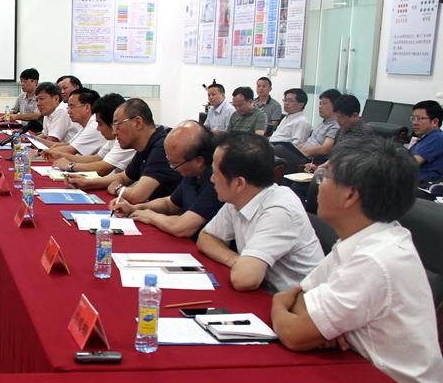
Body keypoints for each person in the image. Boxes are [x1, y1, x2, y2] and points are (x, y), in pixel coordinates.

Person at [271, 137, 443, 383]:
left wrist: (278, 302)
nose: (318, 184)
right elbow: (302, 299)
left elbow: (294, 333)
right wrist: (314, 324)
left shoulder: (375, 258)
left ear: (350, 196)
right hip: (358, 371)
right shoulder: (362, 237)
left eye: (325, 177)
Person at [198, 133, 324, 292]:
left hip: (295, 301)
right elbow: (206, 238)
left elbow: (244, 279)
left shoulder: (279, 210)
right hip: (265, 292)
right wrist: (236, 261)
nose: (211, 179)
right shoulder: (240, 197)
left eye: (216, 173)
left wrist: (243, 266)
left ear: (239, 183)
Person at [112, 121, 221, 239]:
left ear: (198, 161)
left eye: (174, 164)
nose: (172, 168)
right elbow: (169, 204)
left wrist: (152, 217)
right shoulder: (192, 172)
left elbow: (182, 227)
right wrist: (135, 208)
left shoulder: (217, 181)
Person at [68, 99, 179, 204]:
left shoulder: (162, 147)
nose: (114, 132)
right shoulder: (145, 146)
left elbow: (136, 195)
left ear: (137, 123)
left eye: (117, 125)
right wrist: (88, 183)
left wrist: (117, 188)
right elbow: (124, 177)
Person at [51, 93, 136, 176]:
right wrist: (60, 155)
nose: (98, 128)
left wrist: (70, 165)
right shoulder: (113, 137)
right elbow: (96, 158)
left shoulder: (126, 137)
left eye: (72, 106)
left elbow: (103, 169)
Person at [41, 88, 105, 158]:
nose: (68, 112)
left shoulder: (94, 125)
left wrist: (39, 152)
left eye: (72, 107)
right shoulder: (87, 125)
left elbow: (70, 150)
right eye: (68, 107)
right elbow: (68, 145)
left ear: (87, 107)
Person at [299, 88, 341, 166]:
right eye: (320, 104)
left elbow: (325, 149)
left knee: (280, 150)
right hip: (304, 155)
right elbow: (311, 141)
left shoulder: (335, 126)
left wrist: (301, 152)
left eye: (324, 103)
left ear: (335, 106)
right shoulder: (324, 123)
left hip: (311, 160)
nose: (320, 107)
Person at [33, 82, 78, 146]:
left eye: (41, 99)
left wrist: (32, 141)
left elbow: (51, 140)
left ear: (56, 99)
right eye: (37, 100)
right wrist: (29, 139)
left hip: (70, 151)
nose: (38, 104)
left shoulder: (61, 111)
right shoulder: (48, 112)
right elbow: (44, 135)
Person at [408, 100, 443, 182]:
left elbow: (409, 164)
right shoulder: (425, 138)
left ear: (435, 122)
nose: (414, 123)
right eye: (413, 118)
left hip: (421, 185)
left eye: (420, 119)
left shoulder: (437, 137)